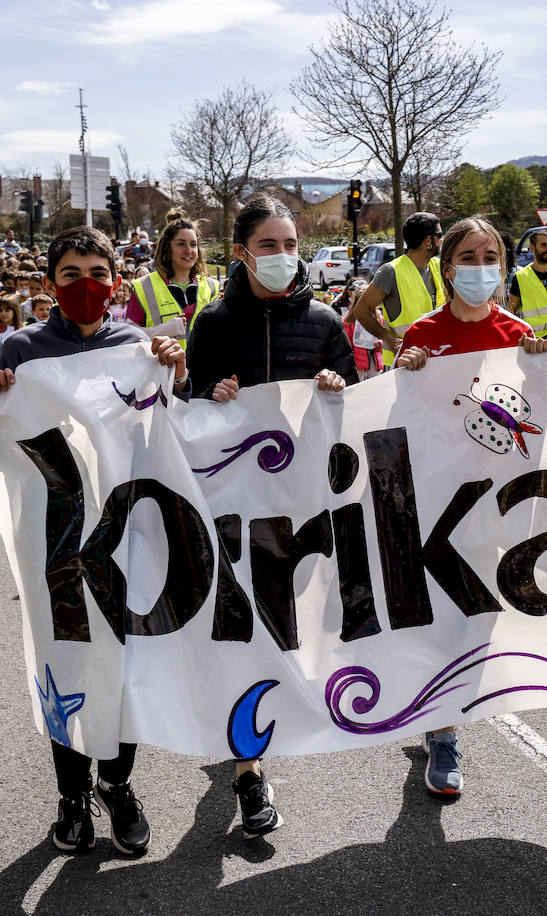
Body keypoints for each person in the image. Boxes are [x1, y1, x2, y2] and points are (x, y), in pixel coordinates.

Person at [0, 225, 190, 856]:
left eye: (98, 274)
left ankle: (117, 785)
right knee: (66, 663)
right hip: (56, 545)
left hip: (127, 539)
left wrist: (173, 372)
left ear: (117, 283)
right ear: (48, 285)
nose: (86, 287)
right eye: (70, 276)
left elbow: (170, 437)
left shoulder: (138, 346)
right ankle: (70, 798)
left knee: (125, 667)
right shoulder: (20, 349)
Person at [186, 193, 357, 838]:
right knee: (245, 629)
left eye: (291, 246)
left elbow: (352, 408)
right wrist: (210, 394)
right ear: (240, 253)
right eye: (268, 246)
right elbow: (193, 411)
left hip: (302, 506)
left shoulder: (321, 321)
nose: (283, 257)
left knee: (287, 628)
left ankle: (255, 729)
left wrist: (339, 388)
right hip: (236, 510)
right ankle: (249, 773)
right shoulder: (214, 323)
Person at [389, 216, 547, 797]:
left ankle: (445, 710)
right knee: (439, 611)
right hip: (434, 501)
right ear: (446, 265)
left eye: (491, 257)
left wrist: (542, 368)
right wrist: (402, 374)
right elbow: (398, 418)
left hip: (489, 505)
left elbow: (537, 422)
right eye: (468, 256)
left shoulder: (518, 334)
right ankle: (443, 732)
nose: (480, 268)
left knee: (478, 615)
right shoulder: (421, 334)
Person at [350, 211, 445, 367]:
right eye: (439, 235)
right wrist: (388, 339)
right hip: (402, 364)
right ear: (428, 241)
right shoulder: (390, 271)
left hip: (434, 358)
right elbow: (360, 310)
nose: (441, 240)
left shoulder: (438, 267)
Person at [128, 210, 221, 347]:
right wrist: (164, 330)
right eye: (181, 244)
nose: (189, 250)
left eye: (193, 244)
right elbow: (129, 338)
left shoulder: (213, 287)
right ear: (167, 249)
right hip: (162, 368)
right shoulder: (144, 287)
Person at [509, 228, 547, 344]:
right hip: (534, 340)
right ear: (532, 248)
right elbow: (511, 311)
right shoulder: (520, 277)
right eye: (543, 245)